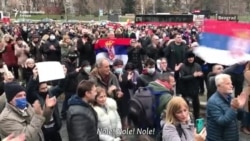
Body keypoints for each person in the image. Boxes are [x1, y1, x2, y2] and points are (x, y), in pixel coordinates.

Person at [206, 74, 247, 141]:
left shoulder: (229, 98)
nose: (231, 86)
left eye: (231, 83)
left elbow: (239, 118)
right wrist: (233, 108)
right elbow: (222, 121)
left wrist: (240, 107)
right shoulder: (213, 101)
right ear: (219, 86)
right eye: (228, 84)